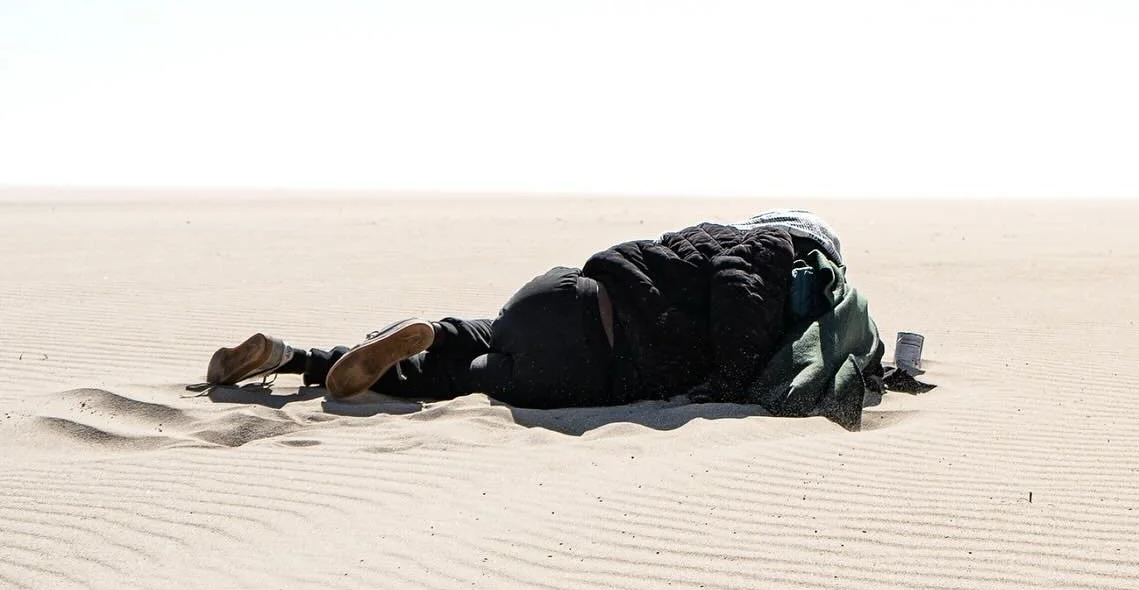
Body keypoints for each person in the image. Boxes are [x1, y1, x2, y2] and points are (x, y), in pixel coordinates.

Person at [204, 210, 847, 407]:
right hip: (590, 359)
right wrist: (726, 386)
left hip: (558, 296)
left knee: (468, 335)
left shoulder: (713, 233)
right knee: (461, 380)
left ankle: (296, 359)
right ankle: (368, 361)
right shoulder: (770, 248)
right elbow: (739, 289)